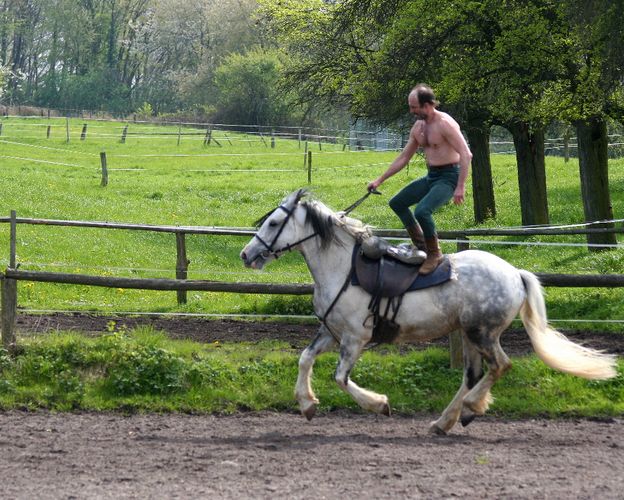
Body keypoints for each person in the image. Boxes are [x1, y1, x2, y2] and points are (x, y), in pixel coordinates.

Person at [367, 84, 472, 274]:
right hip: (432, 176)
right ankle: (421, 247)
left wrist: (460, 186)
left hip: (449, 177)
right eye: (410, 106)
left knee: (422, 211)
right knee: (397, 203)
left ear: (428, 105)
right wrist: (379, 180)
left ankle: (435, 254)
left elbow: (466, 154)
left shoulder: (445, 124)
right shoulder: (418, 127)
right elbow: (404, 157)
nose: (411, 110)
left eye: (414, 107)